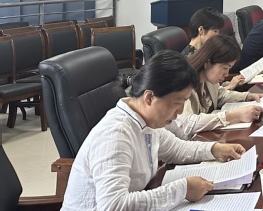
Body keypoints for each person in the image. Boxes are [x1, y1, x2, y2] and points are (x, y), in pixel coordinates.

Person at [61, 51, 245, 211]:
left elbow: (176, 149)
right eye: (177, 103)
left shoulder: (146, 121)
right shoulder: (116, 134)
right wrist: (182, 190)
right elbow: (113, 205)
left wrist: (215, 149)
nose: (181, 111)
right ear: (149, 97)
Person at [175, 35, 263, 136]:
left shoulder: (208, 78)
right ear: (207, 62)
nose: (226, 74)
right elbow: (188, 124)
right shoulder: (182, 82)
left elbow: (220, 95)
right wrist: (234, 116)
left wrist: (247, 96)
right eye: (225, 68)